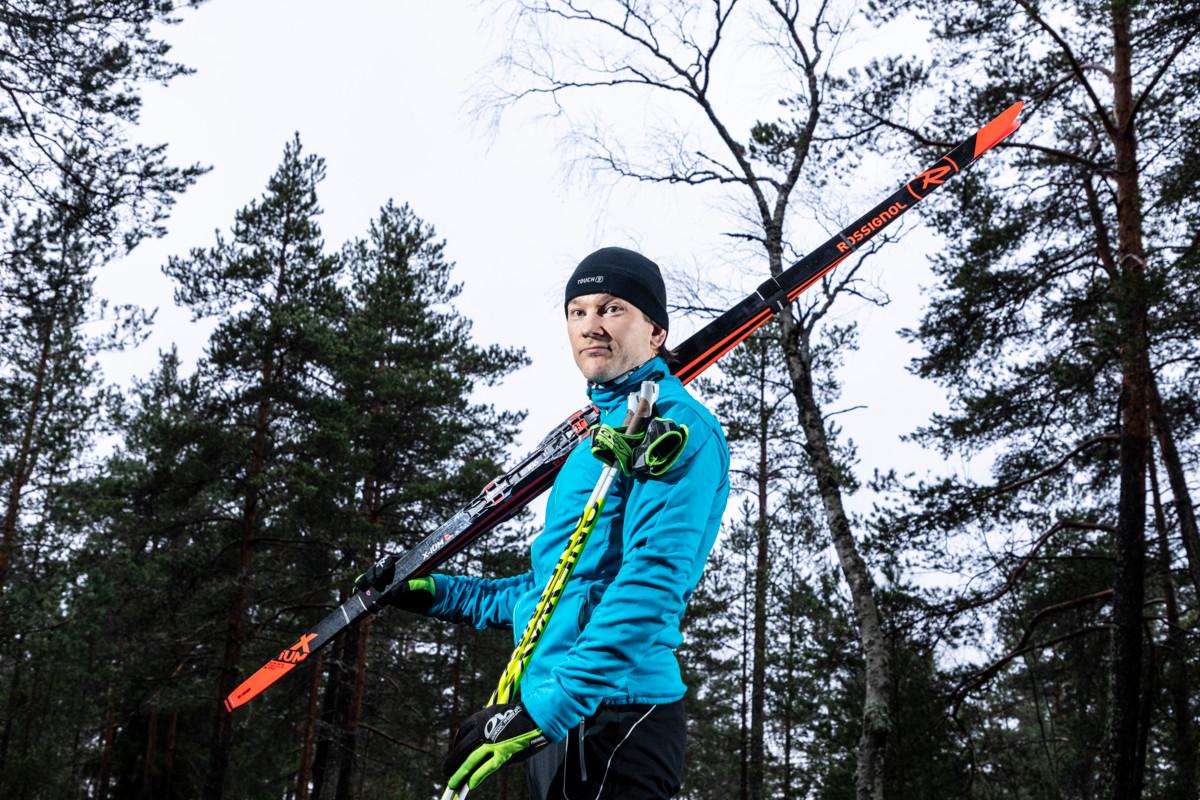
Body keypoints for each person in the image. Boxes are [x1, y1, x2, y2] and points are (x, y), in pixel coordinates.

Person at [359, 246, 730, 799]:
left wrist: (546, 710)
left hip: (615, 719)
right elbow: (551, 593)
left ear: (656, 331)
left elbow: (651, 584)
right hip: (561, 715)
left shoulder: (676, 429)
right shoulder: (593, 439)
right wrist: (430, 591)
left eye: (611, 309)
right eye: (577, 312)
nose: (591, 327)